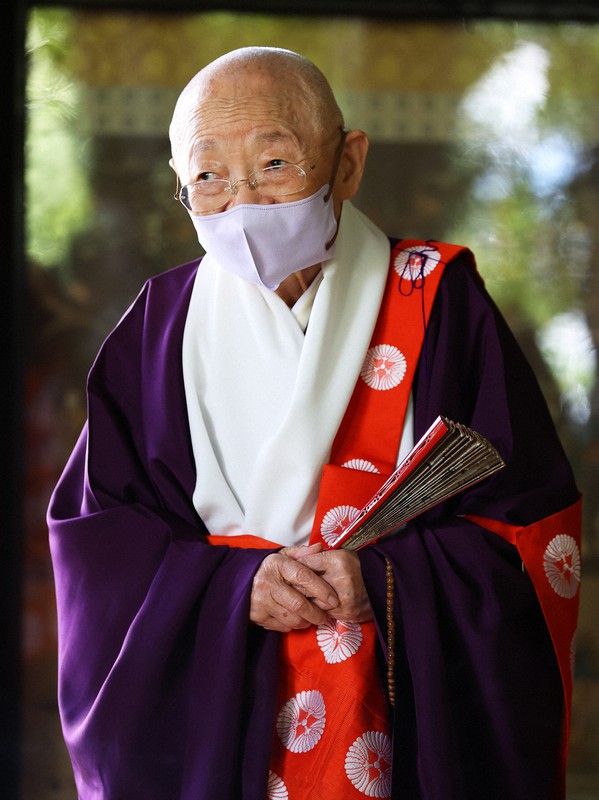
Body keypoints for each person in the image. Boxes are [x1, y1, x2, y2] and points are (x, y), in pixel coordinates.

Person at [48, 47, 582, 800]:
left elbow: (527, 529)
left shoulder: (439, 302)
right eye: (209, 177)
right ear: (180, 183)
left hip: (390, 722)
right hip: (223, 722)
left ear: (348, 163)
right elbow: (100, 548)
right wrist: (233, 589)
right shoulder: (156, 327)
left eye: (274, 164)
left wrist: (388, 582)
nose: (243, 204)